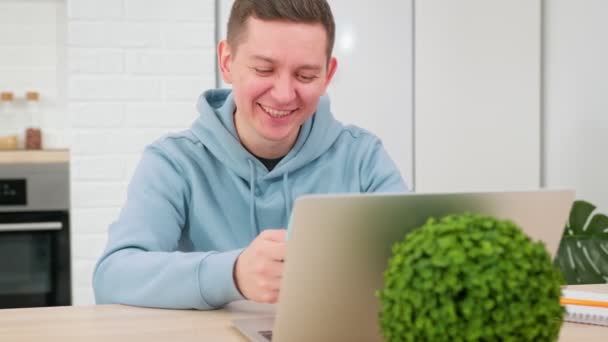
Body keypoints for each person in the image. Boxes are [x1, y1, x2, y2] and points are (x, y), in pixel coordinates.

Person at [93, 0, 407, 310]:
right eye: (263, 69)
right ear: (227, 62)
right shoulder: (173, 162)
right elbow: (112, 277)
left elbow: (419, 257)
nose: (284, 95)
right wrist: (233, 274)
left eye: (306, 76)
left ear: (327, 75)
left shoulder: (362, 156)